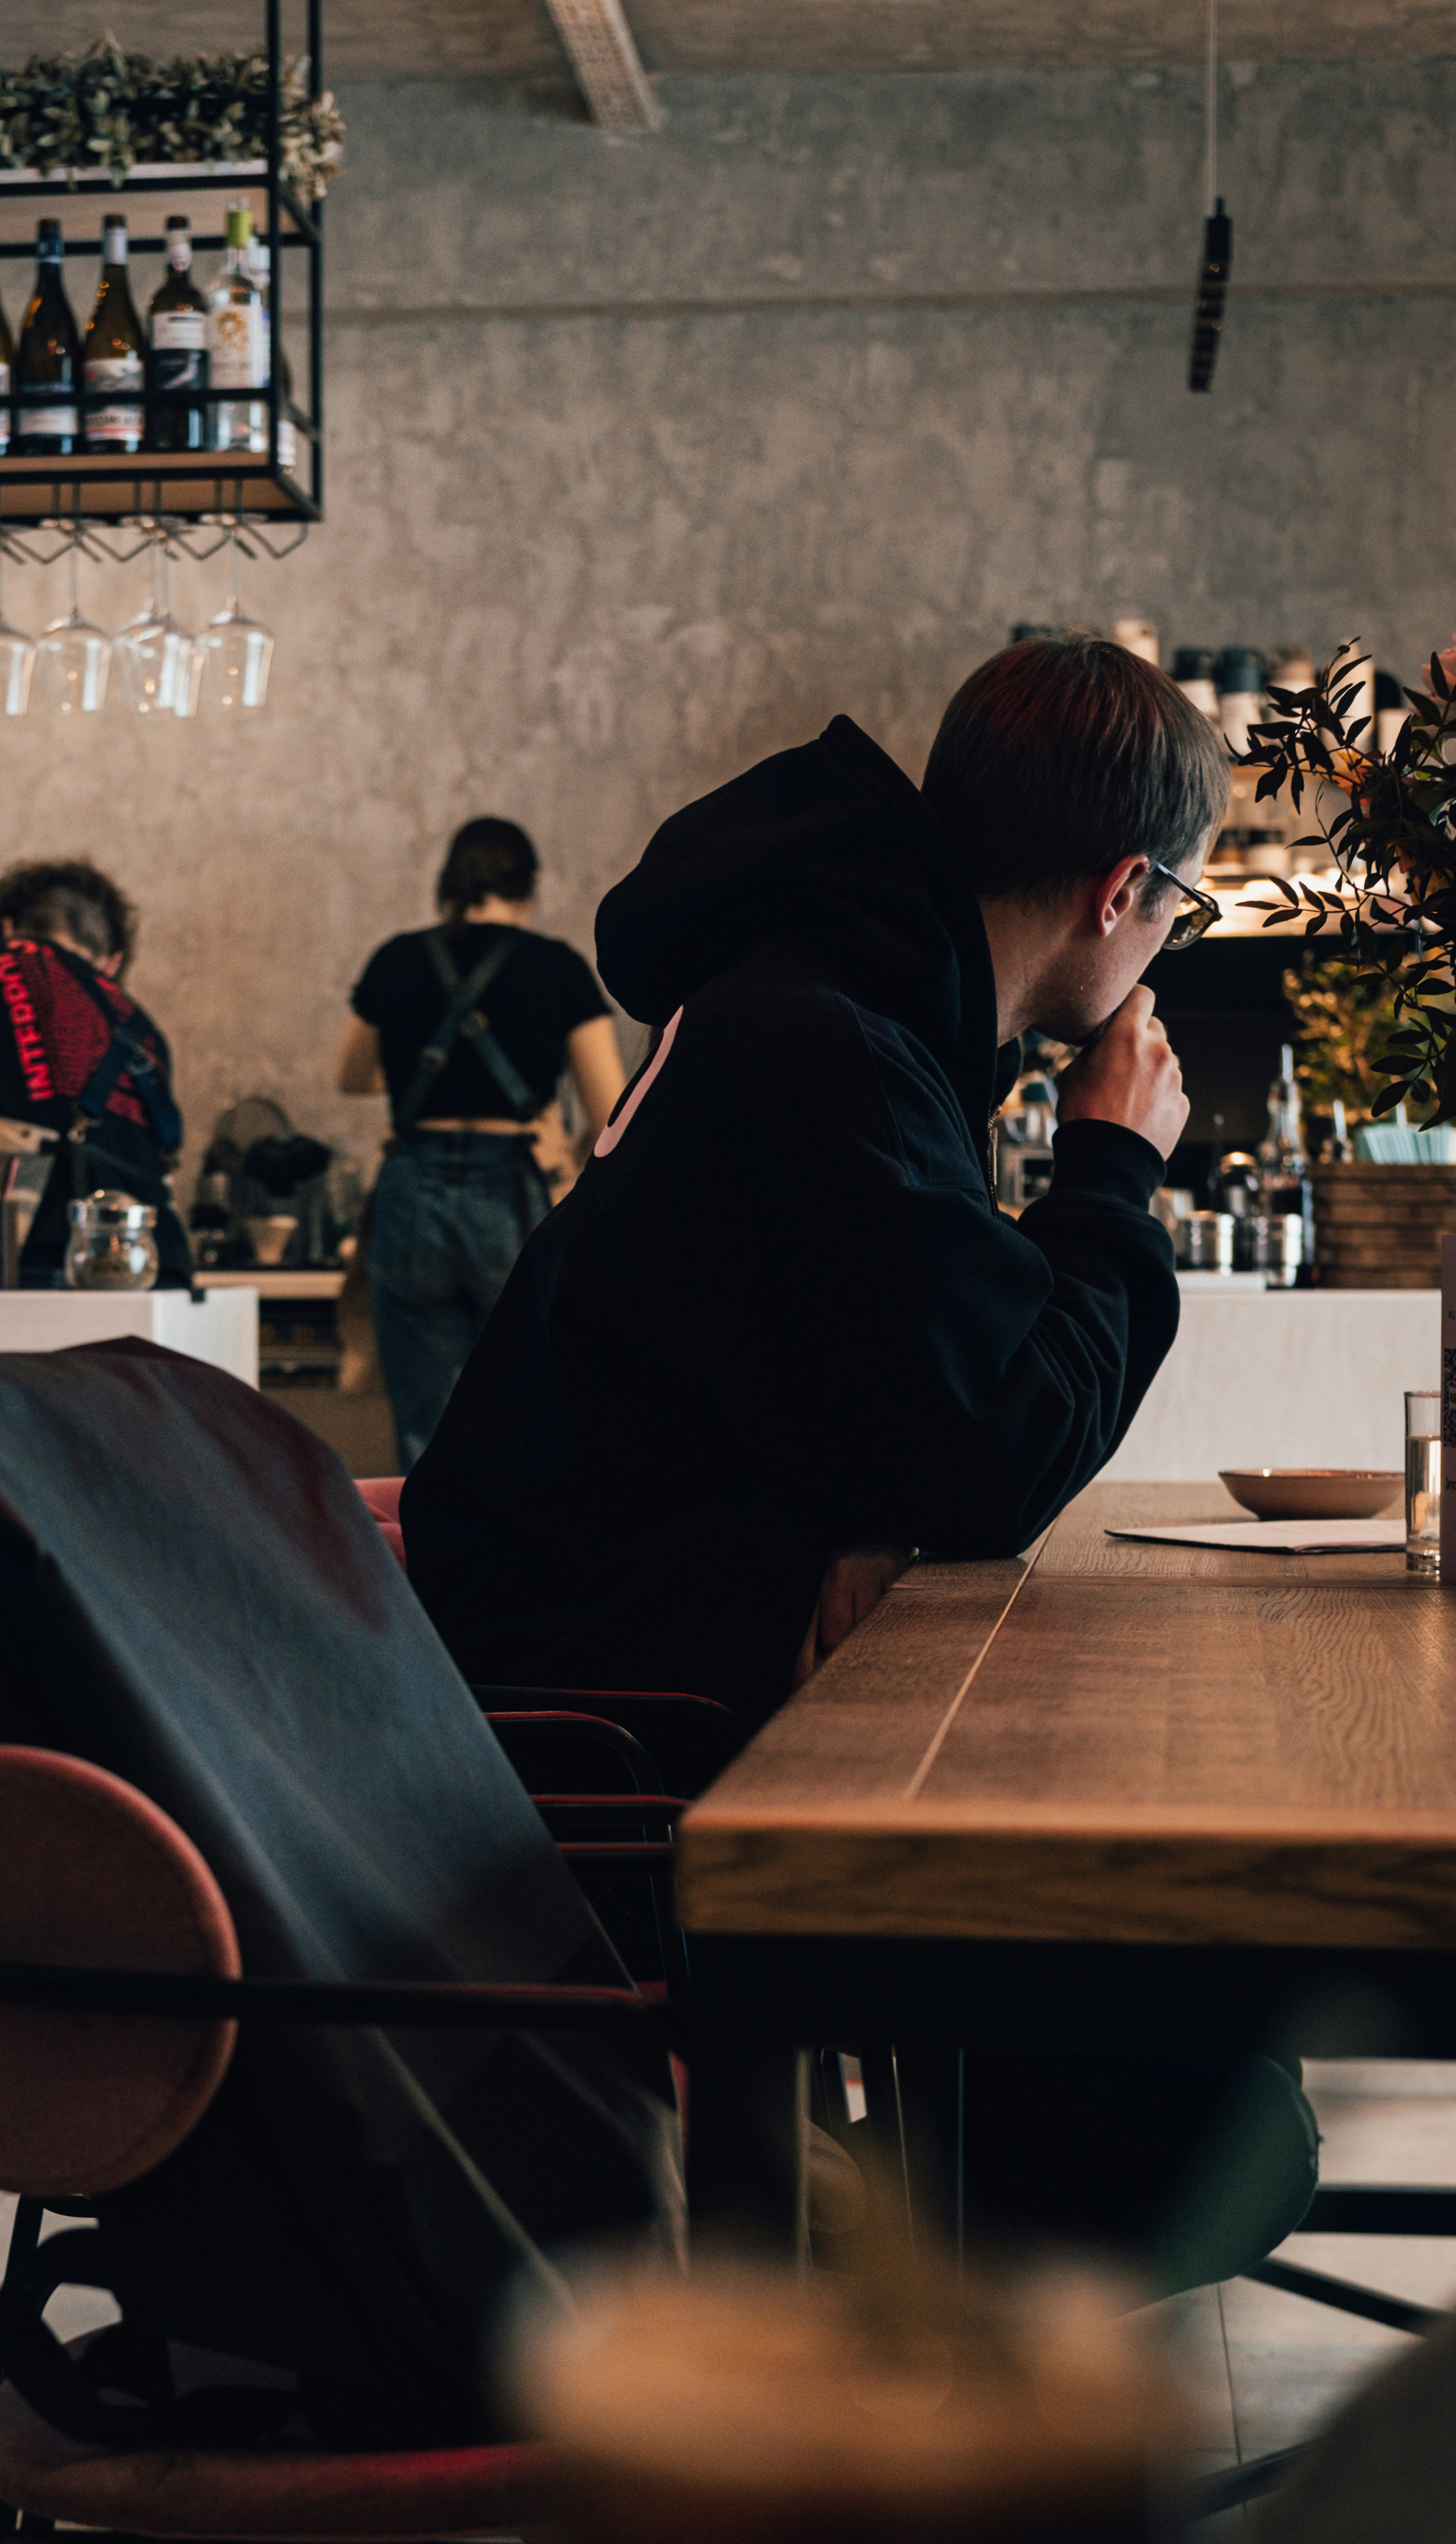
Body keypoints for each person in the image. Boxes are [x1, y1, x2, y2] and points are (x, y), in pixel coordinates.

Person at [401, 635, 1317, 2286]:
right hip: (618, 1769)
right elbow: (1006, 1442)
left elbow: (872, 1395)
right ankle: (902, 2345)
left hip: (614, 1704)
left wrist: (869, 1502)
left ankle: (906, 2305)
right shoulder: (830, 1046)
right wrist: (1111, 1166)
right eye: (1179, 909)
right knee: (1208, 2118)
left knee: (1209, 2057)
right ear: (1122, 889)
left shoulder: (819, 1003)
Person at [341, 817, 629, 1471]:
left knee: (426, 1422)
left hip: (411, 1189)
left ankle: (431, 1539)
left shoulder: (395, 958)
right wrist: (563, 1152)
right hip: (511, 1190)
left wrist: (426, 1080)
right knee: (524, 1405)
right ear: (529, 885)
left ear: (449, 884)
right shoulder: (556, 967)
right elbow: (613, 1109)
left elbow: (351, 1075)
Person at [0, 856, 190, 1287]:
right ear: (111, 963)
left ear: (8, 929)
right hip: (158, 1262)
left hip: (41, 1258)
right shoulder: (143, 1030)